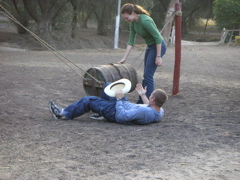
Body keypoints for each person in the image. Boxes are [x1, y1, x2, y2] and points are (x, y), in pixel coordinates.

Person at [49, 83, 168, 125]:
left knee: (88, 100)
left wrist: (118, 99)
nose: (149, 96)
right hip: (122, 104)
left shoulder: (144, 112)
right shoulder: (159, 111)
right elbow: (148, 105)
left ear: (153, 100)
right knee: (109, 85)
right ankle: (101, 112)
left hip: (116, 112)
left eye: (150, 95)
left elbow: (122, 117)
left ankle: (62, 113)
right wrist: (143, 95)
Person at [118, 3, 167, 104]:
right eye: (125, 19)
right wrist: (124, 58)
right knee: (146, 75)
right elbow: (131, 41)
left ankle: (150, 102)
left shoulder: (145, 21)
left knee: (148, 75)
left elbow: (158, 38)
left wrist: (158, 56)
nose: (127, 20)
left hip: (158, 46)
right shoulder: (133, 23)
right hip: (150, 46)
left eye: (127, 18)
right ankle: (143, 99)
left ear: (133, 12)